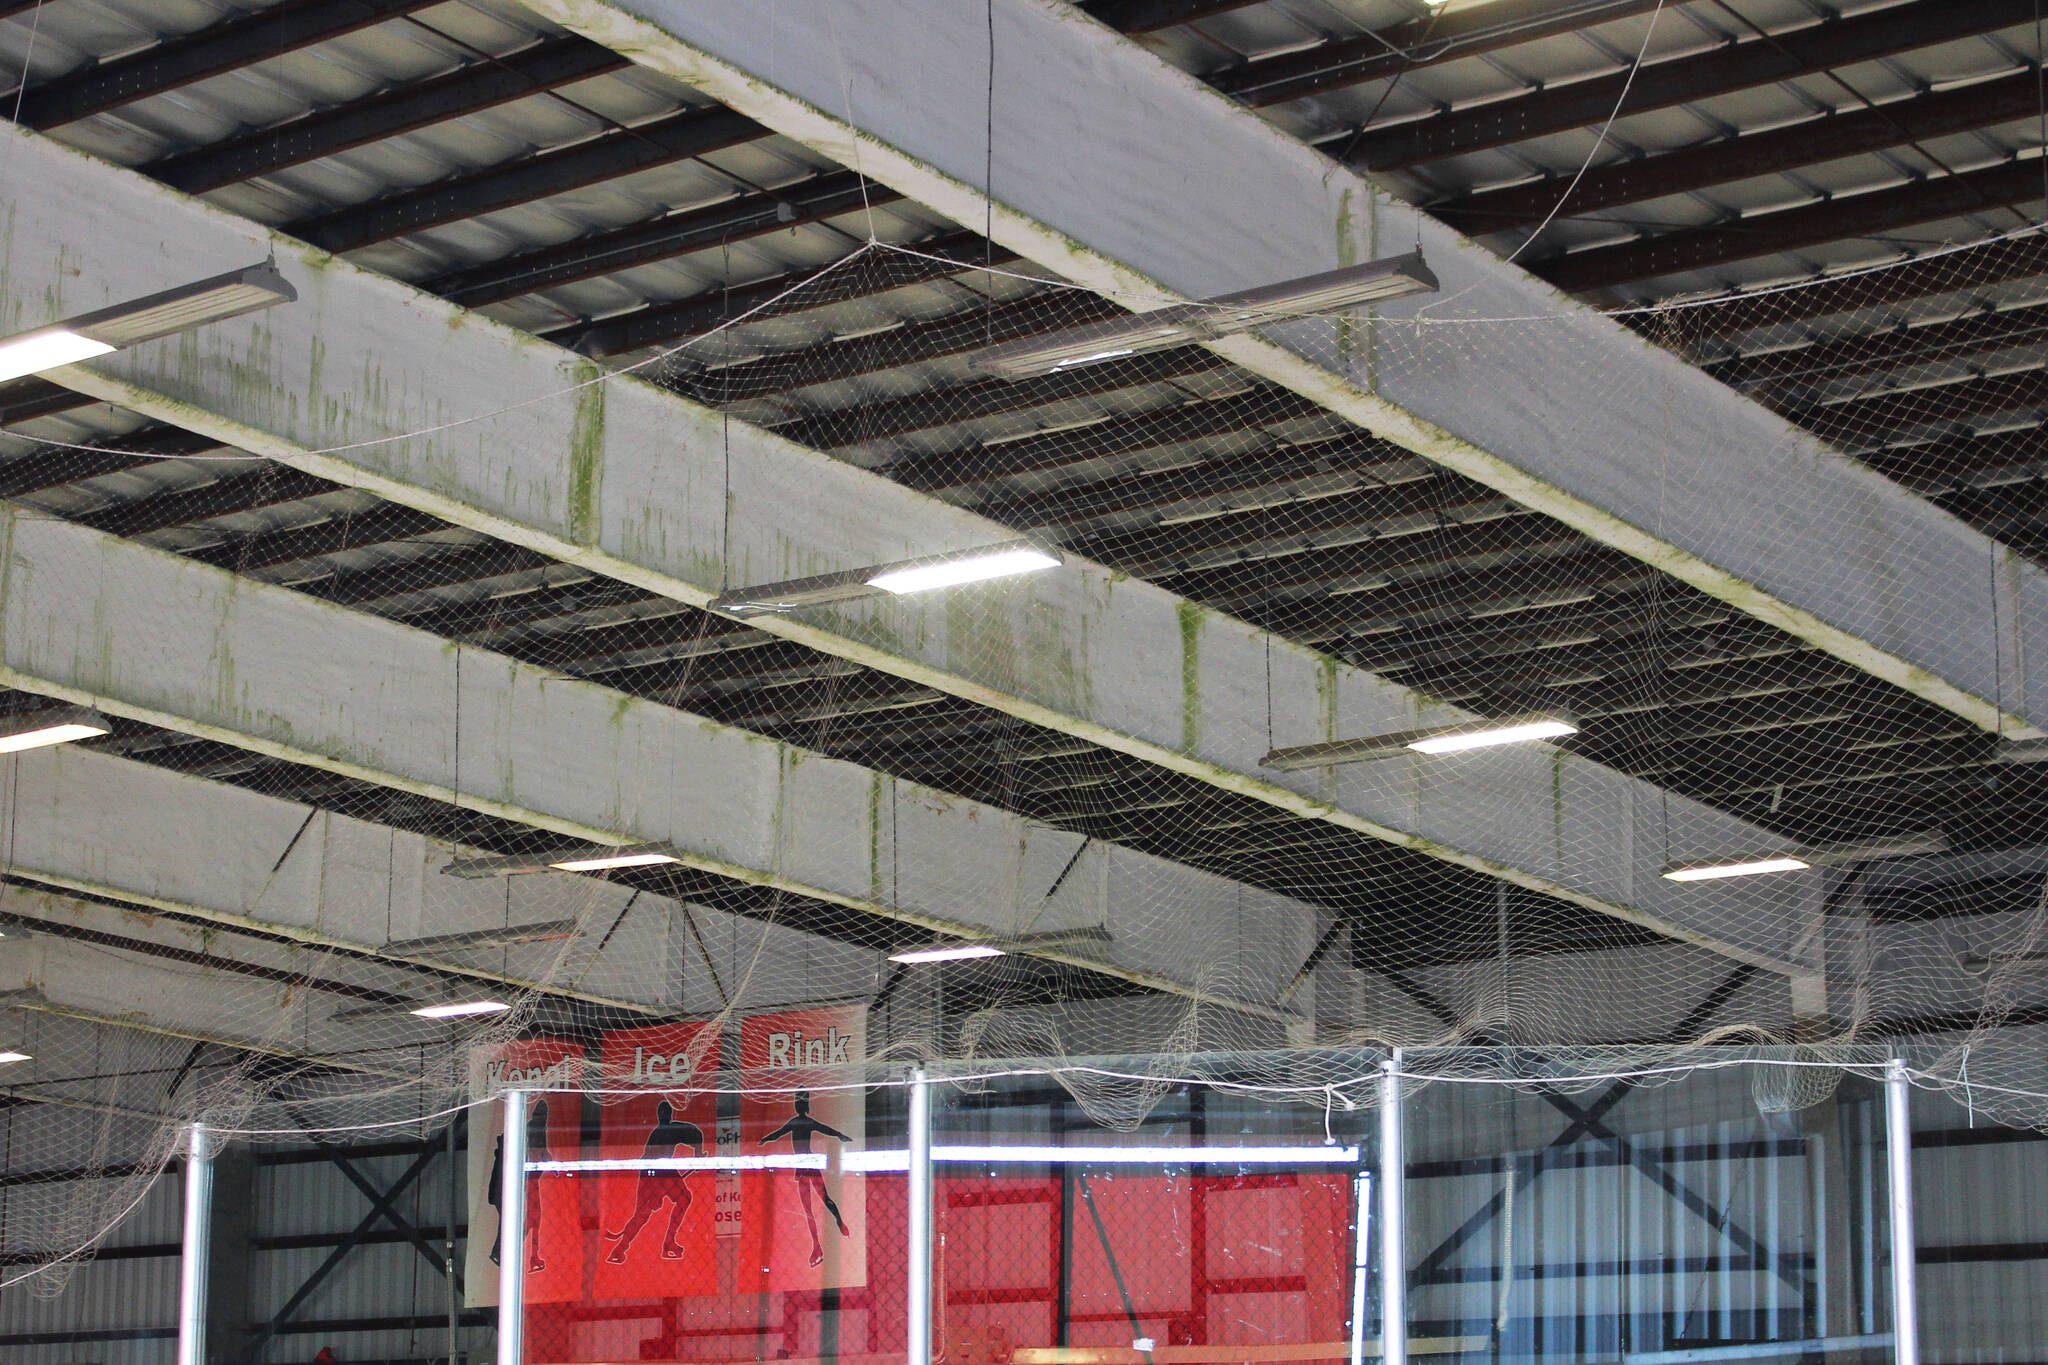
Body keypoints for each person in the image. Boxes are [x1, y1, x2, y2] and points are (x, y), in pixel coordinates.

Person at [602, 1100, 706, 1264]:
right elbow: (696, 1134)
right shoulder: (665, 1131)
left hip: (653, 1173)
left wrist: (698, 1154)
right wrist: (698, 1154)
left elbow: (696, 1133)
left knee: (648, 1212)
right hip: (656, 1173)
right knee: (647, 1212)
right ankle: (625, 1249)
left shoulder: (662, 1131)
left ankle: (622, 1249)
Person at [760, 1091, 852, 1267]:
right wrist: (765, 1139)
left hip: (805, 1164)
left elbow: (780, 1133)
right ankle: (821, 1241)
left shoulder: (799, 1122)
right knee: (817, 1202)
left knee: (813, 1205)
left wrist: (765, 1139)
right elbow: (779, 1133)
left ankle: (824, 1238)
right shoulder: (801, 1122)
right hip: (805, 1164)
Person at [487, 1098, 553, 1273]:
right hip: (526, 1181)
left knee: (533, 1219)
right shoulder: (529, 1130)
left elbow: (543, 1152)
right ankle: (512, 1252)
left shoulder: (537, 1128)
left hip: (528, 1181)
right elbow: (536, 1154)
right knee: (531, 1218)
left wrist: (554, 1166)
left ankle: (524, 1254)